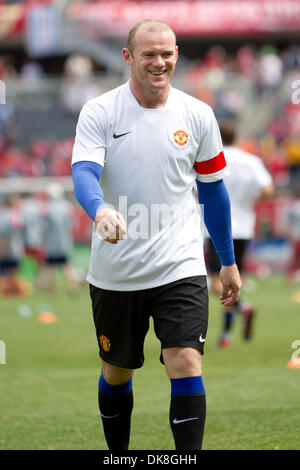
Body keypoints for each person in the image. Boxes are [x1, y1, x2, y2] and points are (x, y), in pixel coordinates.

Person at [72, 19, 241, 451]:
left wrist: (227, 260)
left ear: (177, 54)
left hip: (179, 264)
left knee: (185, 362)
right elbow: (84, 173)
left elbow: (213, 192)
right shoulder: (99, 111)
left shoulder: (198, 114)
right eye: (149, 54)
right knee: (116, 371)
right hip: (116, 271)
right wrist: (100, 210)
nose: (159, 62)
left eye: (166, 53)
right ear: (128, 57)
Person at [206, 121, 274, 348]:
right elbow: (268, 189)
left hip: (216, 227)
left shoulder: (212, 158)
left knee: (217, 283)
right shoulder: (250, 160)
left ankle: (243, 307)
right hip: (243, 227)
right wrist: (250, 204)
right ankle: (226, 336)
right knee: (234, 280)